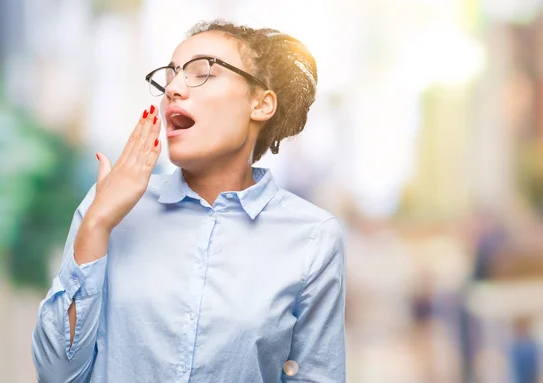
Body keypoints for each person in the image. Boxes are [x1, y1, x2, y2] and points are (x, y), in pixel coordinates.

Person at [31, 19, 346, 382]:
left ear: (261, 104)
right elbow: (55, 374)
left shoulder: (312, 237)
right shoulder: (109, 206)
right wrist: (97, 223)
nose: (173, 89)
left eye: (202, 72)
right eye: (170, 76)